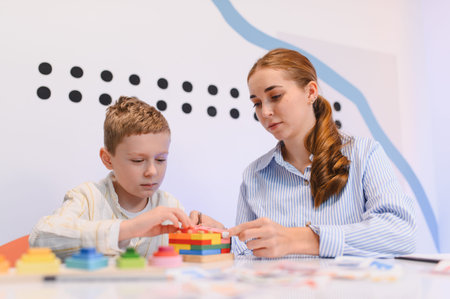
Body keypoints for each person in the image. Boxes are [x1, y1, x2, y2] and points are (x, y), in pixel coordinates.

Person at [228, 48, 416, 258]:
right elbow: (244, 253)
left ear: (311, 92)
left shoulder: (365, 154)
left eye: (275, 96)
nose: (265, 112)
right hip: (280, 291)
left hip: (352, 291)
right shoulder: (253, 175)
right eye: (257, 103)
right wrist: (219, 238)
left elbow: (401, 233)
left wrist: (302, 239)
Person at [29, 96, 194, 259]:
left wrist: (217, 235)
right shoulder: (88, 198)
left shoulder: (170, 206)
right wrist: (129, 229)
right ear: (108, 159)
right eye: (138, 160)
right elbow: (40, 237)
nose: (152, 171)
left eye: (160, 159)